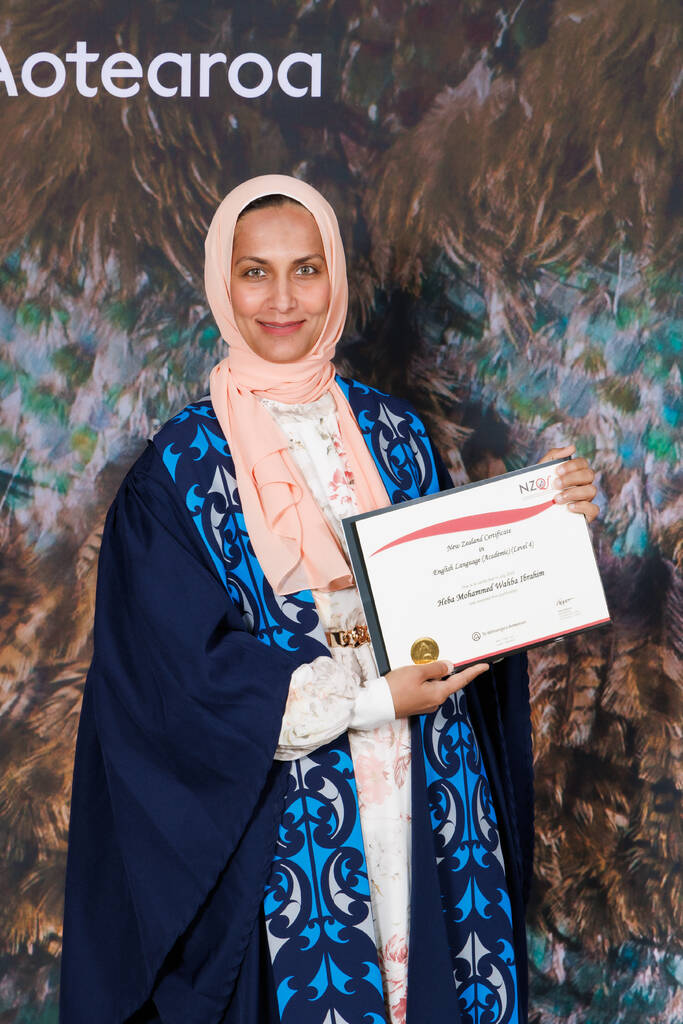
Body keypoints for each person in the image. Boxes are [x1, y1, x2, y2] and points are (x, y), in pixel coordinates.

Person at [60, 175, 598, 1024]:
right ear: (220, 283)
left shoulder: (396, 433)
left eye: (306, 269)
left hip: (431, 789)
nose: (282, 299)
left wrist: (547, 521)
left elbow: (468, 593)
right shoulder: (180, 469)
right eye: (254, 272)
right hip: (292, 819)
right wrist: (373, 697)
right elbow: (174, 682)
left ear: (335, 280)